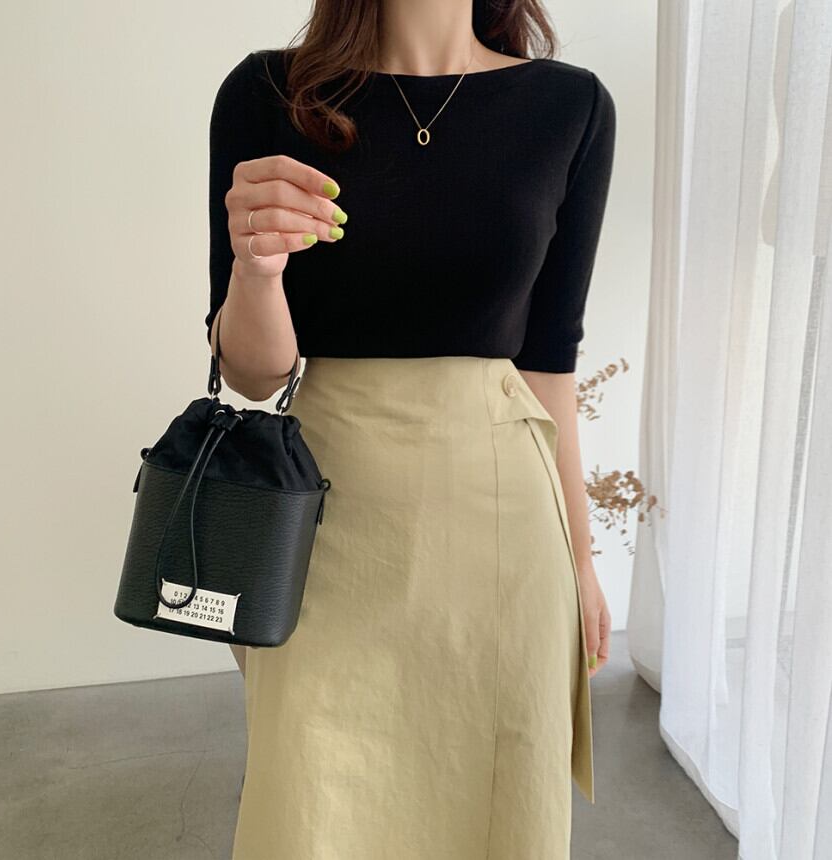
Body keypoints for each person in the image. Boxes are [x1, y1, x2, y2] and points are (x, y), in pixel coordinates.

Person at [206, 2, 615, 856]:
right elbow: (253, 373)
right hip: (321, 518)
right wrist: (256, 269)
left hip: (503, 526)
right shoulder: (270, 95)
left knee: (494, 804)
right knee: (314, 807)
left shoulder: (569, 108)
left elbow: (549, 363)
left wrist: (581, 560)